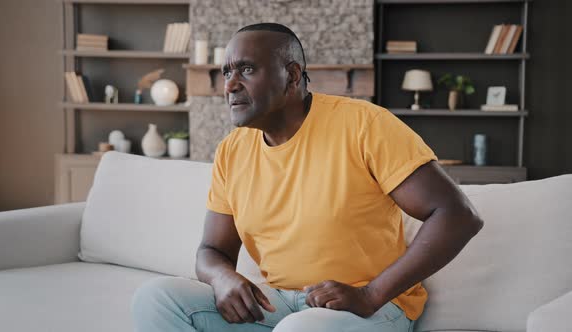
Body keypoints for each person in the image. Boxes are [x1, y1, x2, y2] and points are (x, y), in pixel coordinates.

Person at [132, 23, 484, 332]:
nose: (230, 85)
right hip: (280, 305)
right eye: (226, 73)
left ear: (293, 75)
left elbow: (457, 215)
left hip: (371, 310)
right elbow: (211, 251)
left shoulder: (364, 124)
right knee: (156, 298)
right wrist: (223, 277)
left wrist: (370, 294)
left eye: (246, 69)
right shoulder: (232, 150)